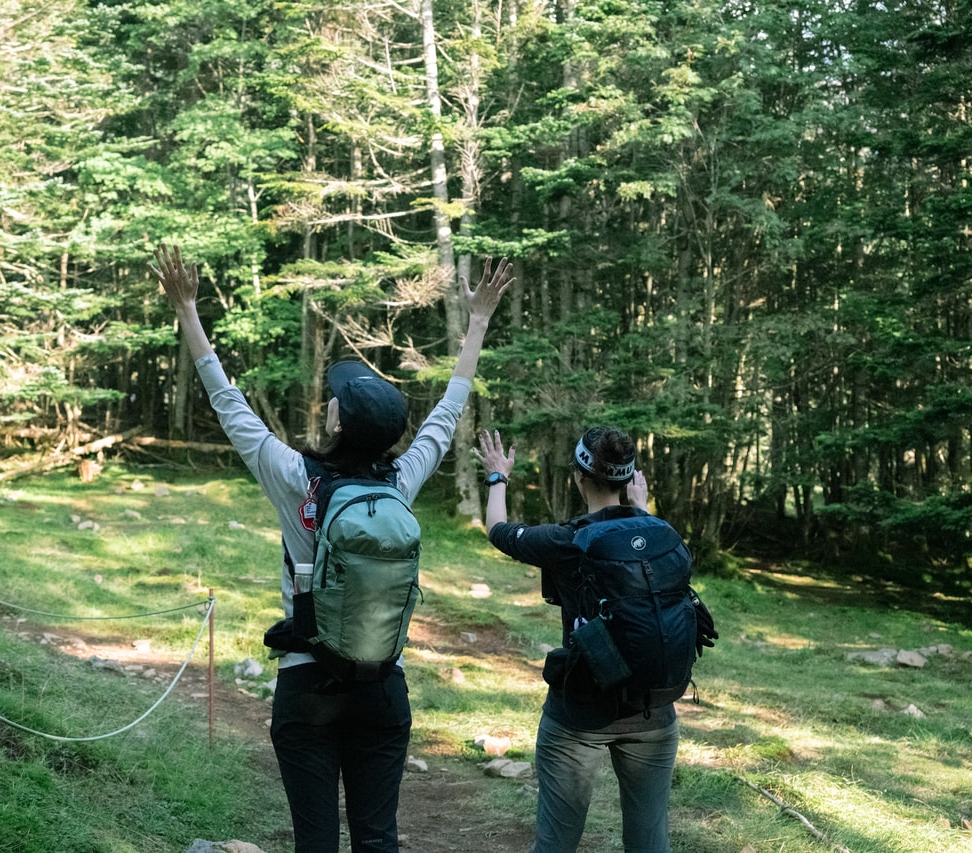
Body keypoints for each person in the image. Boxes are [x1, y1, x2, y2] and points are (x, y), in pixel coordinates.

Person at [152, 243, 513, 853]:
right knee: (378, 838)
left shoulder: (294, 476)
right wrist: (476, 320)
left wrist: (188, 309)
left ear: (338, 424)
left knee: (314, 841)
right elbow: (448, 413)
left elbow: (226, 399)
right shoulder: (399, 482)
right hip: (382, 683)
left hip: (307, 685)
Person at [474, 426, 680, 853]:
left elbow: (498, 530)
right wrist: (641, 508)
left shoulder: (567, 541)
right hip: (654, 711)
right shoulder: (662, 534)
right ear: (628, 481)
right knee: (650, 844)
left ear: (579, 477)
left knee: (555, 845)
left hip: (579, 717)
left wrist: (498, 476)